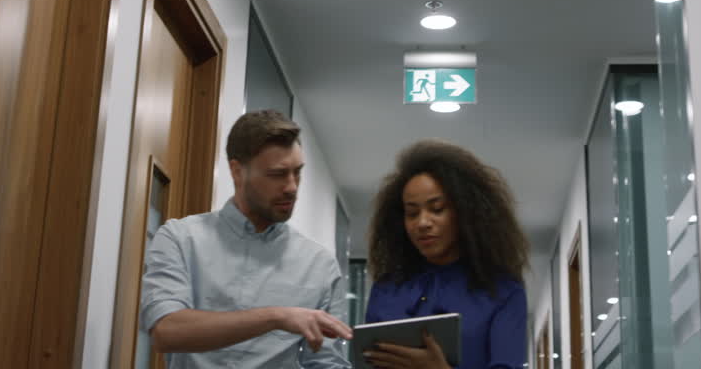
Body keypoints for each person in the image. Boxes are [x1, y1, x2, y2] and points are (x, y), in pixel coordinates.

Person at [139, 110, 352, 368]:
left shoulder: (320, 265)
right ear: (237, 171)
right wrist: (276, 317)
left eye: (297, 172)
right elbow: (166, 331)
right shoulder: (180, 239)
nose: (292, 187)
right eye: (277, 174)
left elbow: (327, 363)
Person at [362, 140, 528, 369]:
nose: (422, 222)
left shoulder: (503, 291)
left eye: (437, 209)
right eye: (412, 213)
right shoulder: (386, 288)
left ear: (466, 212)